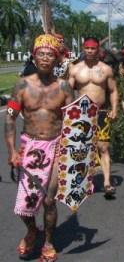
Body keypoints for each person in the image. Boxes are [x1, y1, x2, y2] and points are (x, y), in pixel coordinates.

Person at [5, 34, 74, 261]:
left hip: (56, 147)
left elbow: (74, 122)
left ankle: (48, 241)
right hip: (30, 147)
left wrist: (76, 155)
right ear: (34, 57)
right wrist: (12, 151)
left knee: (48, 200)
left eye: (50, 55)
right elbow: (10, 118)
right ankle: (32, 229)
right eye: (41, 54)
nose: (45, 58)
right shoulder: (22, 85)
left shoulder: (64, 87)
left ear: (56, 59)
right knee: (26, 203)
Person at [68, 37, 119, 196]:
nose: (90, 51)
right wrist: (65, 111)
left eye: (93, 48)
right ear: (84, 49)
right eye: (87, 48)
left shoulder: (105, 69)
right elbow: (67, 92)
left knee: (103, 146)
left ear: (98, 50)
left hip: (102, 112)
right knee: (82, 149)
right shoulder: (75, 69)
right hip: (81, 114)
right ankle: (82, 183)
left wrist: (115, 109)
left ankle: (107, 182)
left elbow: (113, 91)